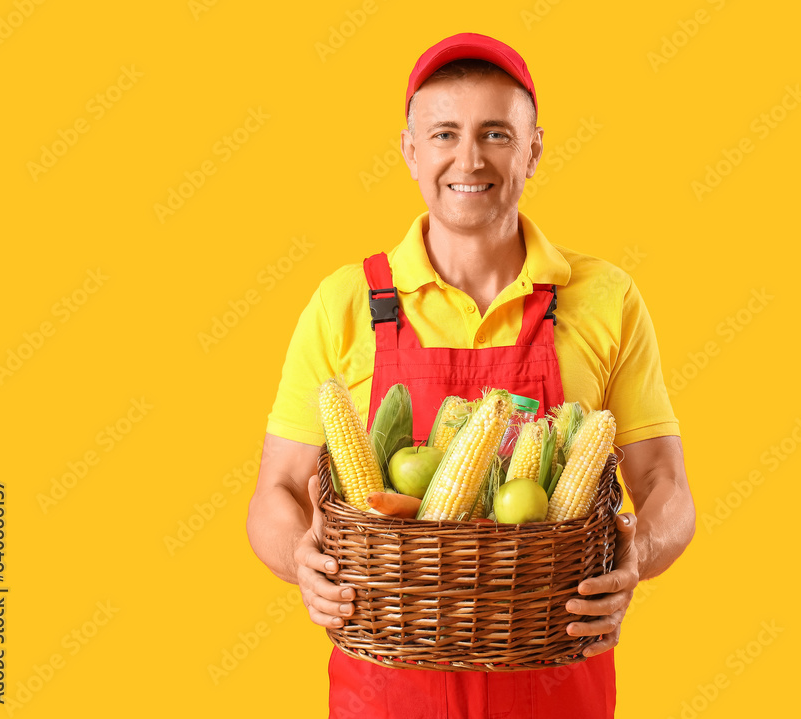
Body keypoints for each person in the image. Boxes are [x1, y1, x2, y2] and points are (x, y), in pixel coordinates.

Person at [246, 32, 696, 719]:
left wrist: (639, 555)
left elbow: (667, 486)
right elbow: (274, 495)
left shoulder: (606, 298)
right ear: (410, 150)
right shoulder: (345, 302)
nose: (469, 158)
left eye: (495, 133)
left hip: (555, 691)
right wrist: (300, 557)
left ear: (534, 148)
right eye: (445, 133)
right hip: (385, 695)